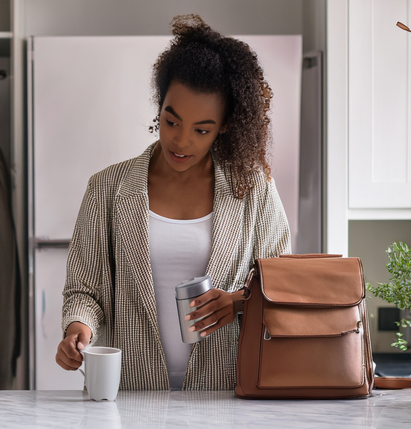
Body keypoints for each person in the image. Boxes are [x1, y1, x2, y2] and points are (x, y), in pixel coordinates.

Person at [55, 14, 291, 390]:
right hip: (130, 393)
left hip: (226, 393)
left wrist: (238, 303)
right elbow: (85, 290)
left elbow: (282, 285)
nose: (181, 141)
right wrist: (77, 330)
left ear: (225, 125)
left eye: (201, 130)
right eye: (171, 121)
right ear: (159, 106)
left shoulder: (254, 190)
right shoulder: (107, 188)